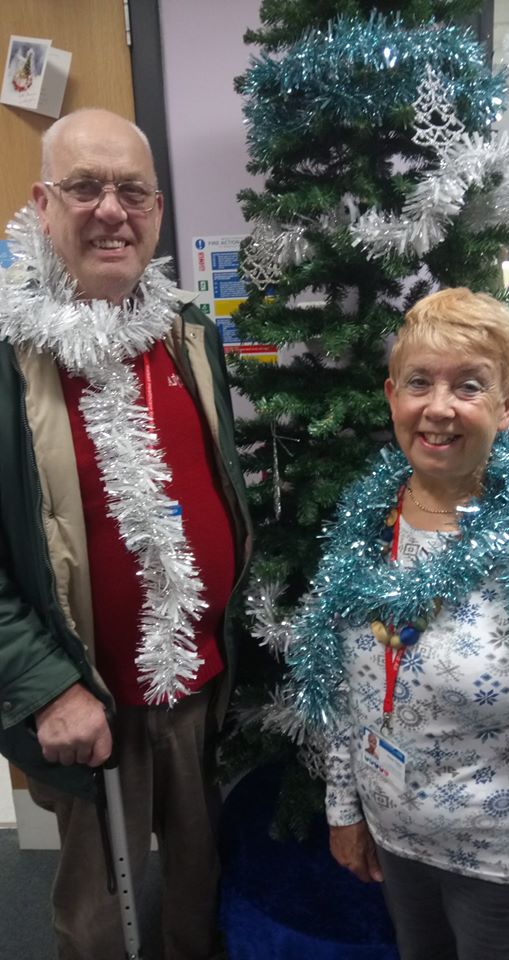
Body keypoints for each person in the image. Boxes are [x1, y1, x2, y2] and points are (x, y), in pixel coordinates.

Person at [0, 108, 251, 960]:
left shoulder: (189, 335)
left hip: (199, 677)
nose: (112, 209)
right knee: (99, 920)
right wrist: (47, 688)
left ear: (158, 209)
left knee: (198, 883)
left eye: (132, 190)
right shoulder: (7, 356)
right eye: (84, 188)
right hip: (87, 699)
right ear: (41, 205)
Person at [286, 288, 509, 960]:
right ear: (392, 393)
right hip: (399, 837)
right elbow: (344, 692)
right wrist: (345, 811)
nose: (438, 408)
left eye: (469, 386)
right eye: (420, 382)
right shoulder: (368, 524)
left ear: (507, 405)